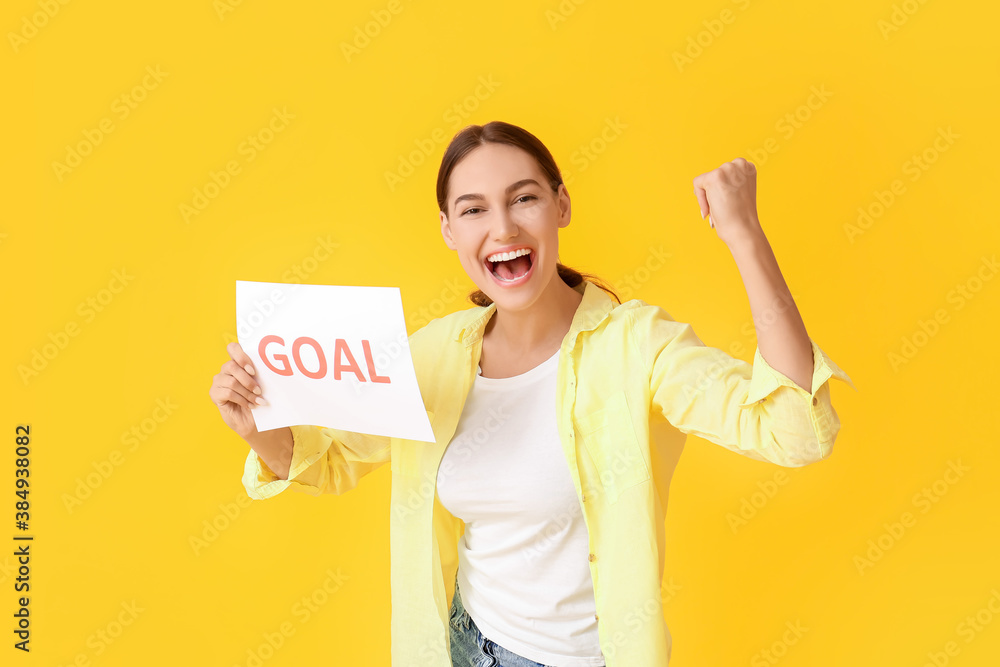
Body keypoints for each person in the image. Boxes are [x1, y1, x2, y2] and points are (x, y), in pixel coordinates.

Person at [209, 121, 855, 667]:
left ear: (561, 206)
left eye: (524, 199)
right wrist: (253, 422)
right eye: (473, 209)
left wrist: (744, 233)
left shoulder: (637, 346)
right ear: (449, 232)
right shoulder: (435, 352)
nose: (503, 227)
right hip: (464, 643)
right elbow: (327, 460)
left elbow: (794, 429)